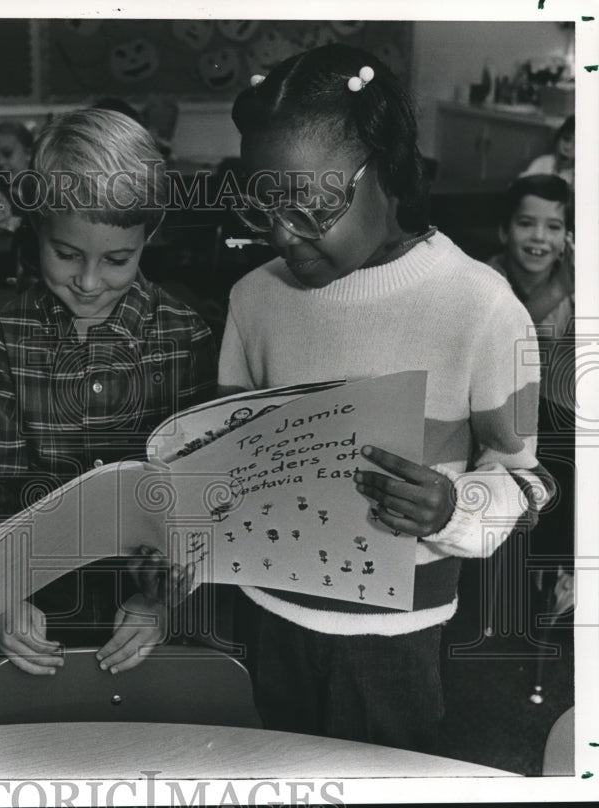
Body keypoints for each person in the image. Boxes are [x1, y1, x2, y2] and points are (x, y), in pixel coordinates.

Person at [220, 44, 550, 753]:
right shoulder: (254, 299)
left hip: (391, 641)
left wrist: (453, 507)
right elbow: (228, 445)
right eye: (262, 208)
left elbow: (527, 479)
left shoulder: (480, 307)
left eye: (311, 209)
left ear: (388, 171)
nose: (282, 235)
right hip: (266, 612)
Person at [0, 108, 217, 676]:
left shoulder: (186, 336)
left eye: (117, 260)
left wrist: (161, 602)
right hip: (40, 610)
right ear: (35, 230)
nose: (89, 281)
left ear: (150, 235)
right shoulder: (4, 342)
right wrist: (2, 595)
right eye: (67, 254)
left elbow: (199, 504)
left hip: (156, 613)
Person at [487, 174, 575, 612]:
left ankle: (560, 570)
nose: (540, 237)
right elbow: (509, 334)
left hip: (547, 412)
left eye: (554, 227)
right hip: (492, 413)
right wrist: (561, 288)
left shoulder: (571, 283)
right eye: (527, 223)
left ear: (568, 238)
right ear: (505, 231)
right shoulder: (488, 277)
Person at [0, 121, 33, 234]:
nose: (0, 162)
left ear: (29, 153)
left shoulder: (48, 185)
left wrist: (15, 223)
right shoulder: (4, 186)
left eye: (7, 154)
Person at [520, 115, 574, 187]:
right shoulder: (543, 162)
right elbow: (520, 185)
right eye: (566, 139)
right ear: (558, 137)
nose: (568, 147)